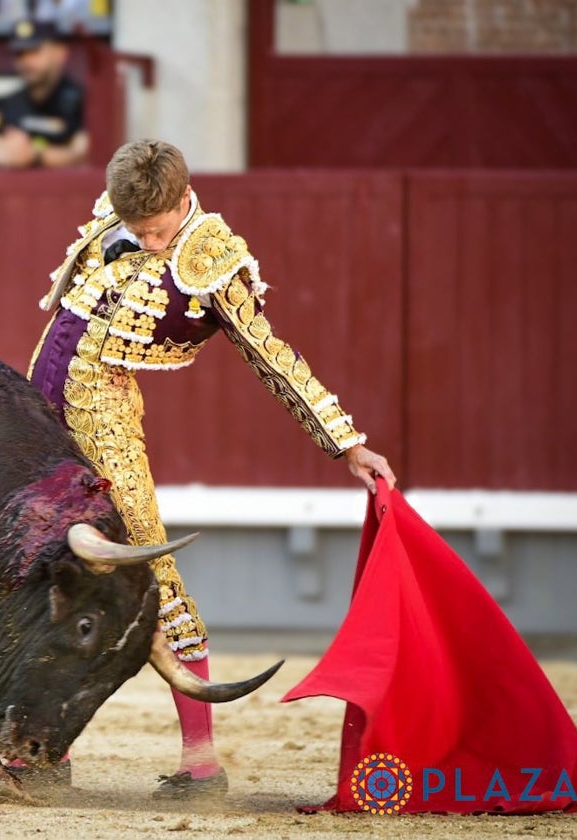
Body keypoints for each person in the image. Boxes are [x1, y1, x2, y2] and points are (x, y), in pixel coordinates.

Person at [26, 139, 396, 799]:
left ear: (183, 199)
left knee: (150, 572)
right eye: (135, 226)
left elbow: (270, 354)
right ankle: (52, 751)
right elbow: (62, 316)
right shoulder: (118, 215)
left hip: (106, 428)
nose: (144, 237)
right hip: (41, 417)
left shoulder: (211, 258)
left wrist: (344, 444)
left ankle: (200, 762)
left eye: (156, 228)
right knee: (55, 576)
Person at [0, 17, 87, 169]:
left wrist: (36, 153)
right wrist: (7, 153)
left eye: (34, 51)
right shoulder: (4, 104)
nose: (26, 61)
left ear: (60, 53)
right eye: (19, 54)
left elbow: (88, 153)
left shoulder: (85, 103)